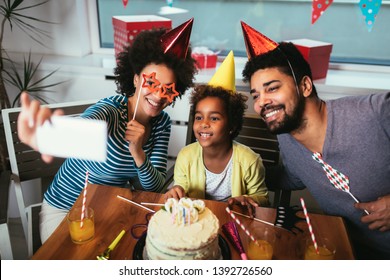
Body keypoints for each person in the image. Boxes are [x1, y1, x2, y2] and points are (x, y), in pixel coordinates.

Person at [17, 18, 198, 242]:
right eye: (151, 83)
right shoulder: (112, 110)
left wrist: (138, 152)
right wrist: (47, 134)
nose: (159, 96)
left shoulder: (162, 123)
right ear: (135, 78)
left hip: (110, 209)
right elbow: (87, 127)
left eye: (167, 89)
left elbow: (156, 187)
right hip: (67, 210)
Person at [240, 21, 390, 259]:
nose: (260, 103)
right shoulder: (286, 139)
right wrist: (234, 171)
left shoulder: (375, 113)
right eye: (256, 95)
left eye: (272, 88)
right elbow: (292, 176)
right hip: (343, 250)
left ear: (305, 86)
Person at [165, 51, 270, 212]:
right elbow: (181, 188)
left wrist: (249, 199)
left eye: (214, 118)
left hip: (234, 222)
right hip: (197, 223)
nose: (204, 124)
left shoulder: (250, 161)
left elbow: (263, 198)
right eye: (199, 118)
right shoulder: (186, 156)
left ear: (232, 126)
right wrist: (177, 191)